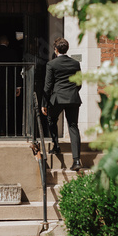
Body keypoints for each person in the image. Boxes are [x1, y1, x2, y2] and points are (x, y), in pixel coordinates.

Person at [41, 37, 82, 171]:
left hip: (58, 98)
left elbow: (47, 86)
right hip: (72, 97)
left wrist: (44, 103)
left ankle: (56, 146)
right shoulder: (75, 64)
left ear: (56, 49)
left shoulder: (52, 64)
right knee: (73, 126)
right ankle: (76, 161)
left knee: (51, 119)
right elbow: (79, 83)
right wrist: (72, 92)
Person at [0, 35, 21, 135]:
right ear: (7, 42)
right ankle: (4, 129)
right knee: (6, 107)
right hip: (9, 84)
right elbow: (16, 69)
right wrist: (18, 86)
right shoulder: (12, 53)